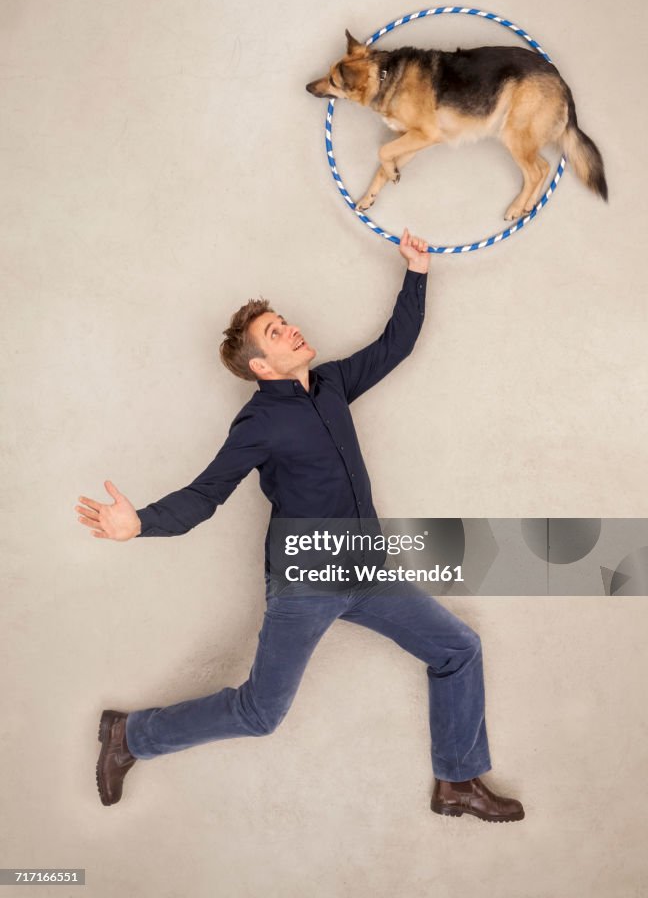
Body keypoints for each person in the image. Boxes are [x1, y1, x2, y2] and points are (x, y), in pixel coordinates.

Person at [75, 229, 524, 822]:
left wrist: (417, 273)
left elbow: (397, 344)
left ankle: (457, 783)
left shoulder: (334, 383)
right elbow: (207, 494)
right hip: (306, 581)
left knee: (458, 648)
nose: (290, 328)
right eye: (275, 331)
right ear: (261, 365)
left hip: (365, 570)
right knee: (261, 714)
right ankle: (130, 736)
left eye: (283, 320)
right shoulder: (259, 422)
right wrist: (140, 524)